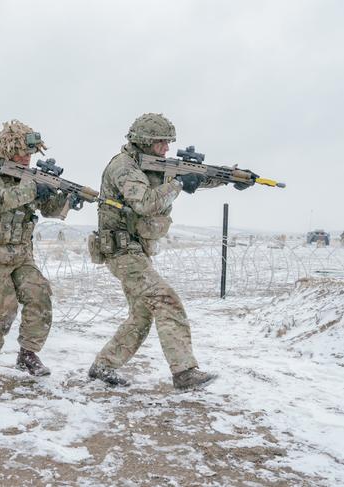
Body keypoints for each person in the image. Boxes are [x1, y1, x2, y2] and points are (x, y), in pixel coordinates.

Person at [88, 113, 252, 391]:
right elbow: (145, 202)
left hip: (136, 250)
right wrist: (178, 184)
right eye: (161, 143)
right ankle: (184, 372)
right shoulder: (124, 167)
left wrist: (229, 177)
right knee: (166, 301)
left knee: (141, 315)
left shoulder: (152, 164)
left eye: (168, 143)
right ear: (144, 142)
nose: (166, 148)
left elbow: (194, 177)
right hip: (120, 251)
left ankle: (104, 366)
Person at [0, 120, 72, 379]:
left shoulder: (28, 178)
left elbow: (49, 211)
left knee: (40, 297)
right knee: (3, 311)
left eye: (30, 153)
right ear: (6, 150)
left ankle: (28, 355)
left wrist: (62, 198)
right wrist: (33, 187)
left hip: (21, 254)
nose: (27, 158)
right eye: (21, 152)